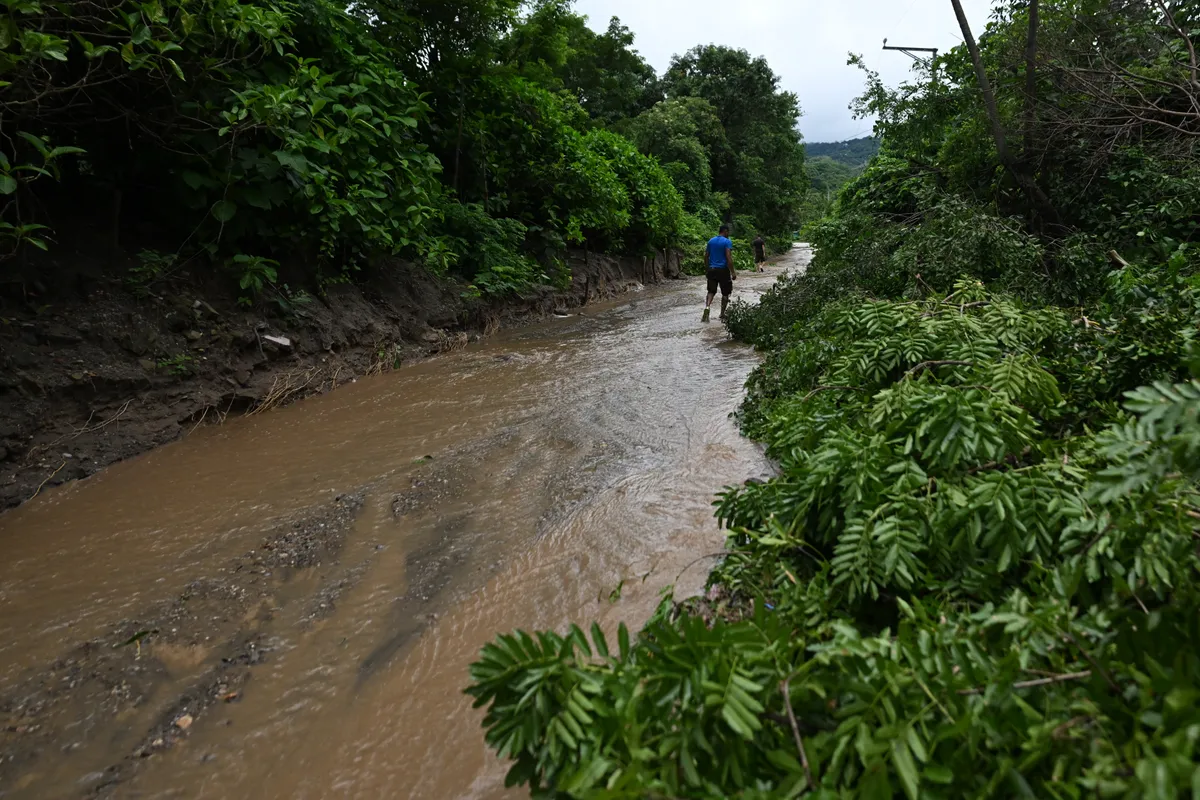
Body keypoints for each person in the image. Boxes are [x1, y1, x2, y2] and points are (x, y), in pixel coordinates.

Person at [702, 224, 735, 322]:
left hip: (712, 269)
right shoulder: (727, 242)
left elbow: (706, 256)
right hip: (723, 270)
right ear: (725, 231)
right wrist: (733, 272)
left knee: (711, 291)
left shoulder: (711, 241)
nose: (728, 234)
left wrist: (707, 269)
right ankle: (722, 314)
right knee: (725, 292)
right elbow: (728, 257)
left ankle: (707, 308)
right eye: (728, 232)